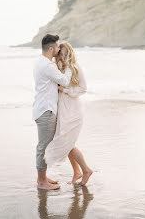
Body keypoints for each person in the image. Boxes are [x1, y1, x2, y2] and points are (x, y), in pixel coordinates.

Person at [44, 41, 93, 186]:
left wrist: (64, 90)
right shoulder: (58, 68)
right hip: (61, 109)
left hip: (72, 109)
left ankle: (86, 170)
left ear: (70, 54)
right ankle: (78, 172)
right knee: (68, 142)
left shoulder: (75, 67)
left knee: (67, 142)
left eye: (65, 55)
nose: (63, 57)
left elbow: (83, 88)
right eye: (60, 54)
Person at [33, 34, 72, 190]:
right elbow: (65, 81)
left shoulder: (40, 62)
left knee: (44, 146)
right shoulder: (48, 66)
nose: (58, 48)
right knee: (43, 147)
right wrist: (69, 66)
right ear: (51, 49)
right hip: (46, 111)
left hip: (42, 109)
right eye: (57, 46)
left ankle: (43, 177)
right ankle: (41, 182)